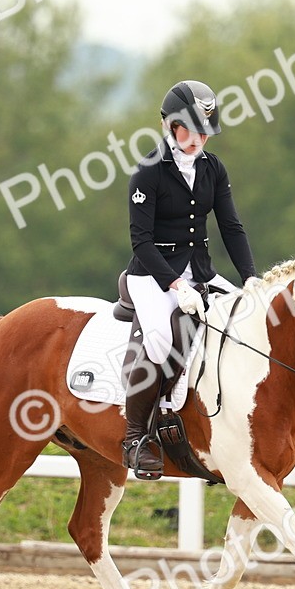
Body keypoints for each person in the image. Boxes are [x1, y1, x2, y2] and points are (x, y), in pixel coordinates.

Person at [121, 79, 262, 478]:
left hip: (200, 270)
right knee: (165, 338)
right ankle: (136, 436)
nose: (199, 137)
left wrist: (251, 278)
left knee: (244, 322)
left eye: (205, 130)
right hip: (152, 275)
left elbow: (231, 227)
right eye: (191, 128)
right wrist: (175, 285)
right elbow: (141, 241)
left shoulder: (213, 168)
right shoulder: (148, 172)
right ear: (170, 125)